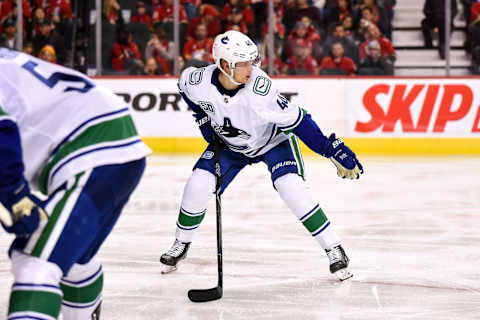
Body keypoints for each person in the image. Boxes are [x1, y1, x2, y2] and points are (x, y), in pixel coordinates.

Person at [159, 30, 363, 280]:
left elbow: (299, 121)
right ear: (224, 65)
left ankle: (334, 248)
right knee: (198, 184)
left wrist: (329, 148)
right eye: (243, 63)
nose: (250, 68)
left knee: (291, 186)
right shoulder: (198, 81)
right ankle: (182, 242)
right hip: (230, 146)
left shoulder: (259, 88)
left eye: (252, 61)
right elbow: (184, 86)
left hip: (271, 142)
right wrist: (201, 117)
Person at [0, 48, 151, 319]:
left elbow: (2, 133)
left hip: (93, 146)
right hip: (111, 141)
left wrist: (14, 198)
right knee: (71, 259)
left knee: (36, 263)